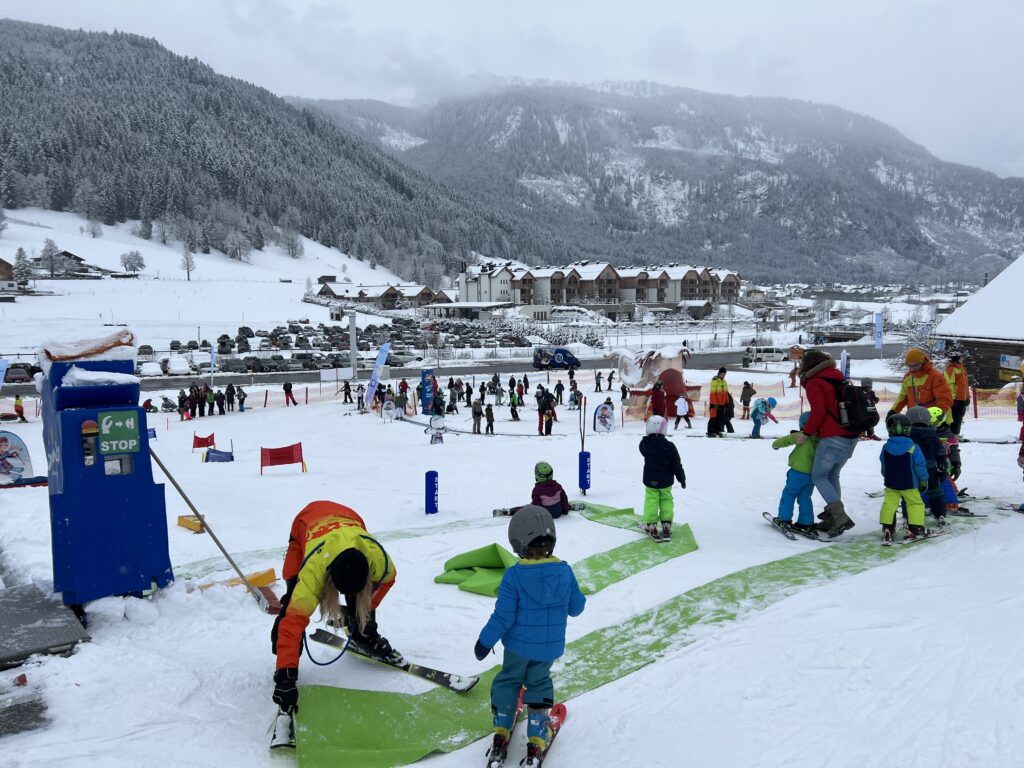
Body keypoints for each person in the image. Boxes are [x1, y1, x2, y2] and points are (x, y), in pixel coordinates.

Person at [474, 506, 585, 767]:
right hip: (548, 650)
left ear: (518, 542)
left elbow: (503, 617)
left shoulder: (514, 575)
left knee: (508, 681)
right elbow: (577, 608)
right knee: (539, 684)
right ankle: (536, 739)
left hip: (517, 648)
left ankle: (502, 729)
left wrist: (485, 642)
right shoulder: (565, 572)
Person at [271, 501, 400, 723]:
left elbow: (386, 583)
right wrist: (286, 678)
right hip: (306, 522)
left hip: (348, 517)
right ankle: (285, 660)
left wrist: (362, 614)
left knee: (360, 602)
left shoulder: (379, 560)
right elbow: (294, 622)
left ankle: (364, 635)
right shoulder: (314, 572)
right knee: (293, 601)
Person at [794, 349, 858, 537]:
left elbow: (819, 411)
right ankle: (833, 516)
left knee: (819, 476)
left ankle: (839, 517)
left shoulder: (815, 382)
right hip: (851, 435)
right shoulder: (837, 378)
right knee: (832, 475)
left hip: (833, 436)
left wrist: (806, 433)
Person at [878, 414, 929, 544]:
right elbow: (920, 466)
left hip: (891, 484)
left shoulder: (886, 447)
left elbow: (884, 465)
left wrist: (886, 476)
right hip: (910, 485)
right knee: (915, 504)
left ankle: (887, 528)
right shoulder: (914, 447)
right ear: (908, 429)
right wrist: (923, 480)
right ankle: (916, 528)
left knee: (889, 504)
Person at [638, 415, 686, 541]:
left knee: (651, 501)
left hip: (650, 480)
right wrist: (681, 478)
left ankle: (651, 525)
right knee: (666, 500)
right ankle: (666, 523)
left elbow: (643, 450)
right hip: (665, 481)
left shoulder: (644, 445)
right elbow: (676, 464)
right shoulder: (669, 446)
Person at [771, 412, 819, 533]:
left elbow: (786, 440)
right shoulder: (821, 438)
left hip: (797, 471)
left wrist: (775, 445)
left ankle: (784, 519)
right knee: (805, 497)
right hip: (812, 474)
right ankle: (806, 522)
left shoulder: (802, 435)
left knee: (789, 493)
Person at [907, 406, 947, 527]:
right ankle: (940, 514)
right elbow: (940, 452)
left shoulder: (908, 435)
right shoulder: (932, 435)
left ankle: (908, 516)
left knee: (910, 494)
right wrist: (942, 466)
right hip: (930, 469)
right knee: (935, 492)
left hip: (912, 470)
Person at [888, 348, 953, 424]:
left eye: (915, 365)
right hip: (916, 420)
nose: (913, 369)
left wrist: (939, 416)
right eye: (910, 366)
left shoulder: (935, 376)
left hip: (937, 420)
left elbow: (944, 399)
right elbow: (903, 397)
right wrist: (893, 411)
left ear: (923, 363)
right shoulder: (908, 377)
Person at [944, 350, 970, 435]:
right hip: (955, 399)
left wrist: (967, 397)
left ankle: (955, 435)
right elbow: (949, 385)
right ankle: (952, 435)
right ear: (957, 358)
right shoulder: (951, 369)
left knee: (959, 417)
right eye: (961, 357)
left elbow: (964, 385)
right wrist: (953, 399)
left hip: (962, 399)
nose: (963, 358)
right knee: (954, 418)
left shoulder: (962, 368)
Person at [707, 368, 729, 437]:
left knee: (720, 419)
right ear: (719, 373)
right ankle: (711, 432)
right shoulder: (714, 381)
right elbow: (712, 393)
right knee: (713, 418)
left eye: (725, 374)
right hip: (715, 404)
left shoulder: (725, 382)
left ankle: (717, 431)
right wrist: (715, 403)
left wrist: (727, 402)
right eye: (723, 374)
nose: (724, 375)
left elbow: (726, 393)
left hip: (722, 404)